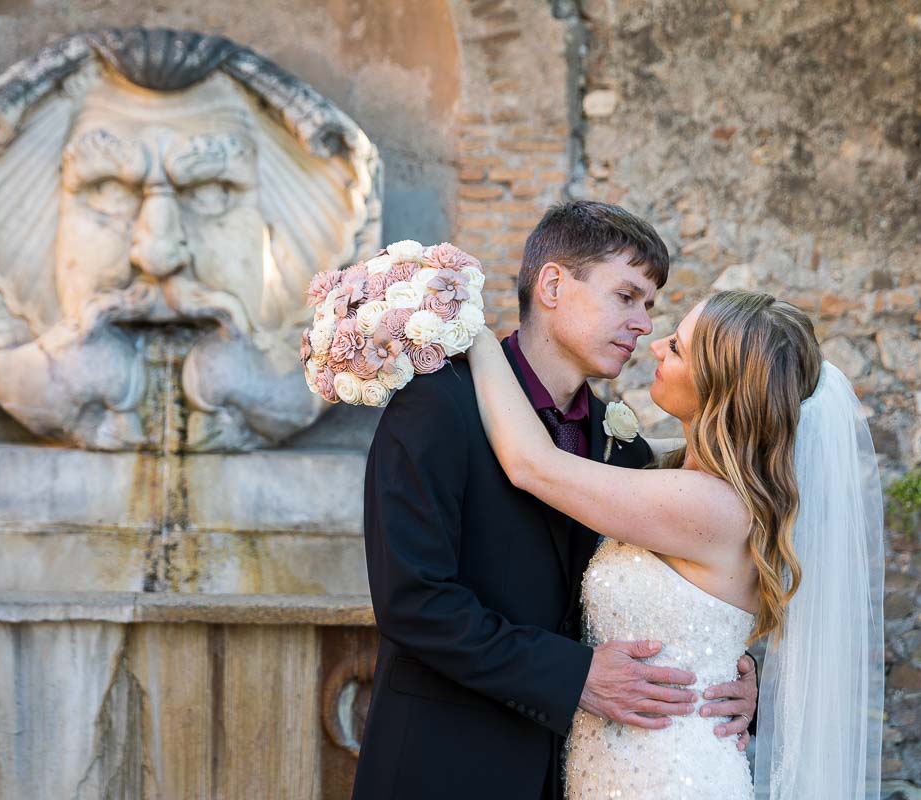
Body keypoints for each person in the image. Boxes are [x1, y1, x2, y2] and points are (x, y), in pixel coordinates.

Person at [352, 202, 759, 800]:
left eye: (650, 304)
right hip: (442, 762)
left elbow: (692, 588)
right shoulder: (438, 406)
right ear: (552, 285)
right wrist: (574, 676)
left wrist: (737, 675)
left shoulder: (625, 445)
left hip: (581, 773)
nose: (644, 324)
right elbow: (413, 601)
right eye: (627, 296)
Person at [467, 289, 885, 799]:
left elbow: (532, 465)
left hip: (671, 777)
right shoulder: (688, 477)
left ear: (722, 387)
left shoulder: (708, 506)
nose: (656, 343)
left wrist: (474, 334)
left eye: (680, 348)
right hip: (617, 768)